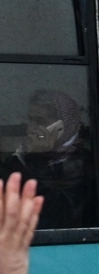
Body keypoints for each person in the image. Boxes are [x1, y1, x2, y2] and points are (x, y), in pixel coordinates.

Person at [7, 89, 95, 228]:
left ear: (63, 125)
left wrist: (37, 159)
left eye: (40, 120)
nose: (30, 128)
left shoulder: (83, 163)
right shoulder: (23, 154)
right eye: (30, 119)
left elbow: (60, 213)